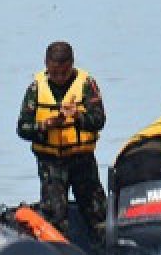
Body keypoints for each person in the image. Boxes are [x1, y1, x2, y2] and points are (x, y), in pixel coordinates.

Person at [16, 41, 107, 244]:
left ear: (72, 65)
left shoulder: (86, 85)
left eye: (63, 73)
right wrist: (46, 125)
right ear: (46, 65)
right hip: (51, 163)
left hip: (81, 159)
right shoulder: (35, 89)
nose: (58, 78)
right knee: (56, 215)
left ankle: (107, 254)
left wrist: (78, 116)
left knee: (96, 211)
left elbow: (99, 120)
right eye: (54, 73)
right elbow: (22, 128)